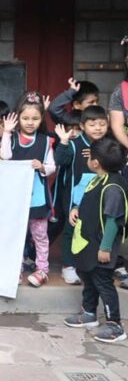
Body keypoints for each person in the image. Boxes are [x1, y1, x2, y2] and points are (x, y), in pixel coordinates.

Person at [64, 138, 128, 343]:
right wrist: (76, 209)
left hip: (101, 245)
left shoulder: (113, 188)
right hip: (88, 242)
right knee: (88, 276)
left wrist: (106, 247)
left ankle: (115, 324)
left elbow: (113, 220)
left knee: (103, 282)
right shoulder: (97, 179)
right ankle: (89, 313)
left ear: (95, 162)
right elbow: (87, 201)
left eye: (90, 156)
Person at [0, 94, 56, 287]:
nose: (30, 122)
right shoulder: (12, 138)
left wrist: (41, 166)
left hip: (37, 196)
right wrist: (6, 133)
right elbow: (5, 157)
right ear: (18, 118)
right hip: (14, 196)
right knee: (16, 234)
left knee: (40, 234)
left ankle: (42, 269)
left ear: (41, 118)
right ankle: (15, 268)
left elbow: (51, 167)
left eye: (35, 118)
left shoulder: (45, 141)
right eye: (25, 118)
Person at [54, 106, 110, 285]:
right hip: (75, 196)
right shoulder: (74, 143)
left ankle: (90, 264)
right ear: (82, 126)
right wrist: (63, 142)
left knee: (96, 230)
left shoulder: (108, 144)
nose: (98, 128)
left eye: (102, 124)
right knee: (71, 230)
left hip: (101, 196)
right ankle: (68, 267)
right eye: (92, 124)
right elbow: (60, 161)